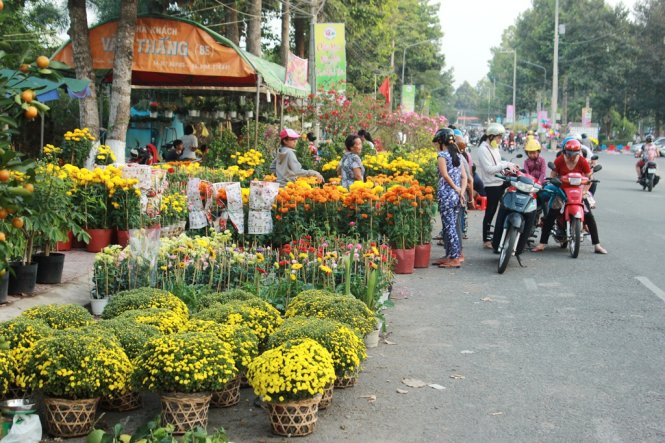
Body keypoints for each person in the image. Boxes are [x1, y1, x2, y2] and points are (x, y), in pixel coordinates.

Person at [532, 139, 607, 254]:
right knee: (551, 214)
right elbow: (553, 175)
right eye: (569, 154)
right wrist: (555, 181)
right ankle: (542, 243)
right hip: (562, 191)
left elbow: (589, 178)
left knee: (589, 216)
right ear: (565, 151)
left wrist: (584, 192)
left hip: (578, 192)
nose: (571, 157)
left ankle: (597, 245)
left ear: (579, 152)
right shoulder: (560, 160)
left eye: (574, 154)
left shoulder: (582, 161)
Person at [476, 122, 519, 249]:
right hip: (491, 184)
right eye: (498, 137)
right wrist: (505, 165)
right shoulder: (483, 149)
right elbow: (489, 169)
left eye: (501, 137)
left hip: (500, 181)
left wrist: (509, 165)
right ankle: (486, 239)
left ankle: (500, 235)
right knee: (491, 211)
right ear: (491, 136)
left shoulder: (494, 147)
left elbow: (499, 162)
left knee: (505, 207)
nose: (500, 140)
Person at [431, 128, 467, 268]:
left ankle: (454, 258)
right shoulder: (457, 156)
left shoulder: (442, 155)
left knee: (449, 227)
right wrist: (460, 191)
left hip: (446, 195)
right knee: (452, 226)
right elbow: (463, 177)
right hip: (456, 196)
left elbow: (445, 175)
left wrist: (455, 188)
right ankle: (454, 255)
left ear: (441, 141)